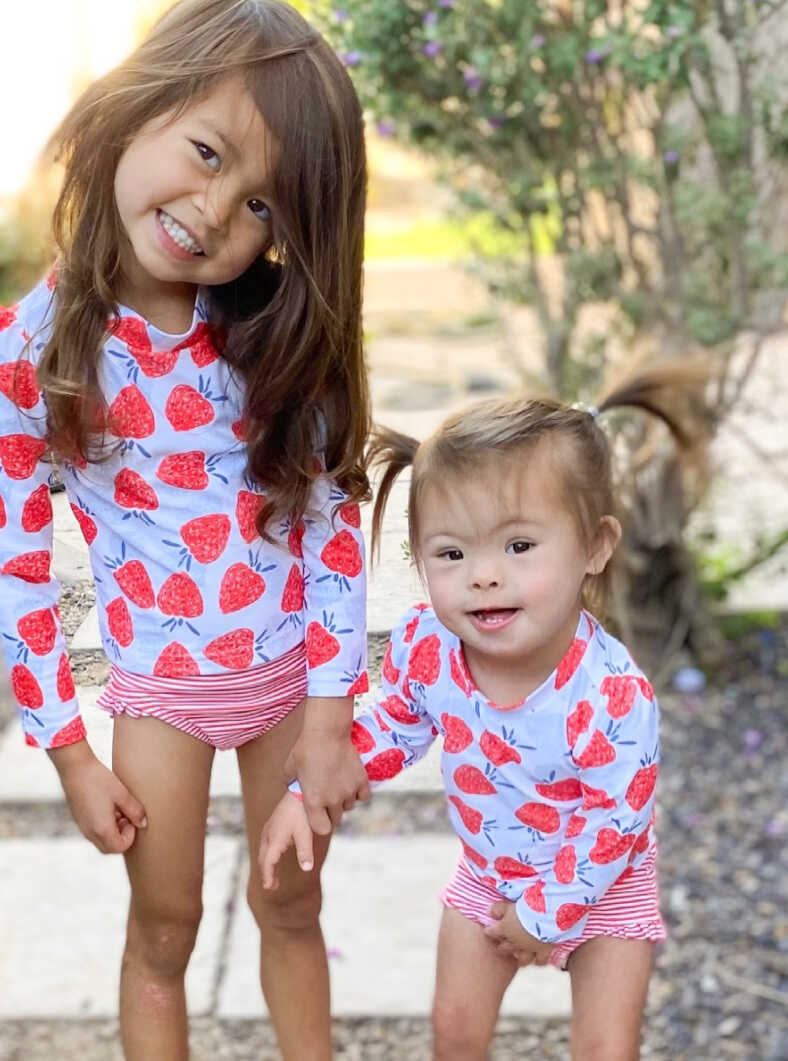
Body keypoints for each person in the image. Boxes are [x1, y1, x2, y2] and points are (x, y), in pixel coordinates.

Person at [0, 0, 372, 1061]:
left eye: (262, 209)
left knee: (291, 909)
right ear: (134, 105)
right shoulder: (29, 348)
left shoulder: (273, 342)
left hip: (290, 678)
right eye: (205, 151)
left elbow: (333, 525)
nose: (213, 208)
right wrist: (66, 751)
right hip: (160, 696)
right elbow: (13, 559)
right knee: (165, 928)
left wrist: (333, 715)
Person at [260, 364, 714, 1060]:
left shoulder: (610, 693)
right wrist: (306, 790)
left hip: (605, 882)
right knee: (456, 1032)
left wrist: (544, 915)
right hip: (489, 872)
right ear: (419, 560)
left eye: (519, 545)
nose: (483, 574)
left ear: (594, 546)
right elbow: (394, 724)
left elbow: (615, 820)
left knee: (607, 1047)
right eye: (451, 552)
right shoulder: (431, 647)